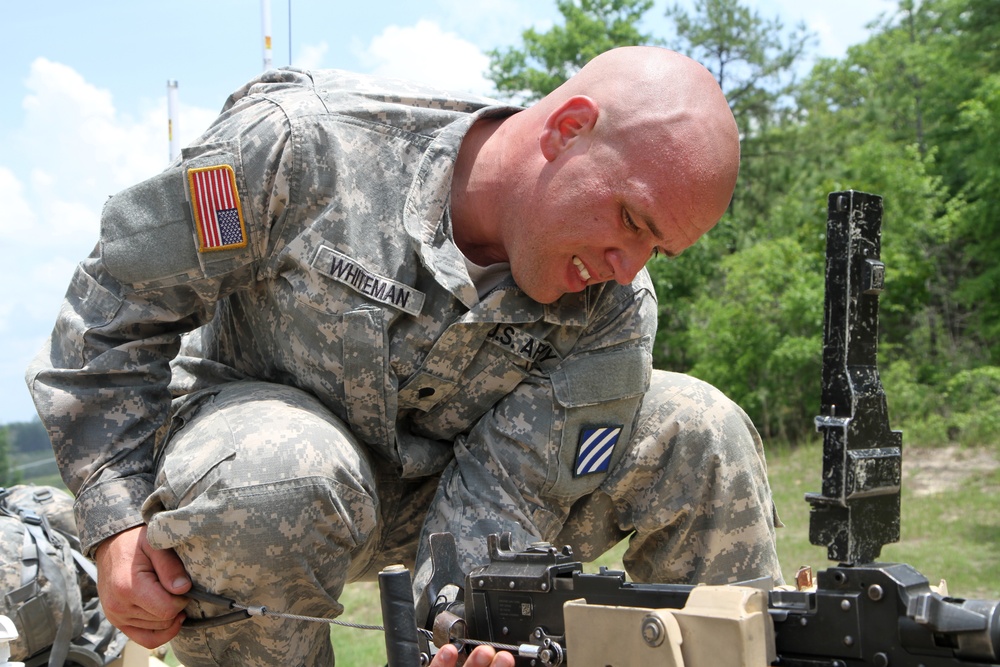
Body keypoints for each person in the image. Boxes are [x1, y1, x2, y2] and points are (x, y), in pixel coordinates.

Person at [26, 46, 782, 666]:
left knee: (698, 426)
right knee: (280, 467)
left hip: (455, 500)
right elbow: (114, 304)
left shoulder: (613, 306)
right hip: (261, 475)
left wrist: (466, 635)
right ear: (569, 128)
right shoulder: (301, 145)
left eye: (657, 246)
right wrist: (116, 517)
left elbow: (506, 501)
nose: (627, 263)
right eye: (630, 219)